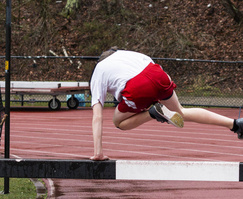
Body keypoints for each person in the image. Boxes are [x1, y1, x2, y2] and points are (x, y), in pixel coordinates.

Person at [90, 47, 243, 161]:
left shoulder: (99, 71)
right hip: (158, 75)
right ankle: (235, 124)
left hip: (137, 86)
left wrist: (98, 153)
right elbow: (156, 73)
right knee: (181, 112)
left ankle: (152, 113)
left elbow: (97, 116)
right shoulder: (131, 54)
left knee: (119, 122)